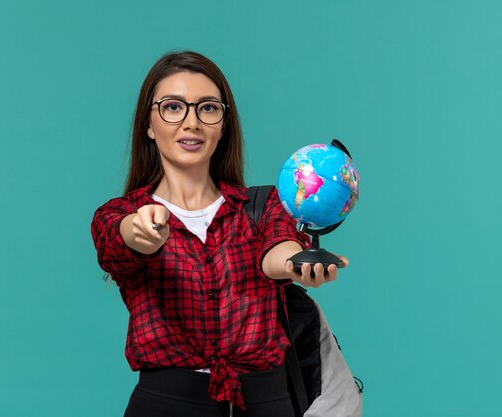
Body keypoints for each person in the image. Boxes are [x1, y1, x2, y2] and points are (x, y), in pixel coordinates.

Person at [91, 51, 348, 417]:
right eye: (173, 107)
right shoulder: (119, 215)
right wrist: (141, 230)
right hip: (167, 405)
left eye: (207, 108)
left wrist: (294, 264)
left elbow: (277, 248)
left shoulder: (264, 205)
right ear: (148, 124)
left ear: (223, 123)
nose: (191, 122)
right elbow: (118, 241)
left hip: (266, 403)